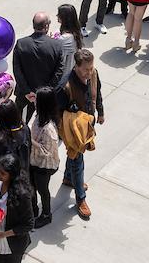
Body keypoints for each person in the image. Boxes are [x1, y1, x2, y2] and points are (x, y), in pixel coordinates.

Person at [56, 48, 104, 221]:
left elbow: (97, 93)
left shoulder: (93, 74)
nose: (89, 72)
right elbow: (58, 112)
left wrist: (100, 112)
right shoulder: (65, 86)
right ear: (76, 66)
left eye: (91, 68)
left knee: (74, 156)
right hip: (73, 131)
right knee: (78, 161)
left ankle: (69, 179)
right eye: (86, 69)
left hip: (88, 124)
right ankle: (80, 198)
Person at [11, 12, 65, 120]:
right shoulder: (56, 46)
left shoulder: (21, 43)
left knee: (19, 123)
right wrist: (45, 91)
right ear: (46, 26)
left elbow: (17, 70)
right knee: (47, 124)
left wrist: (27, 92)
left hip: (25, 95)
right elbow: (59, 71)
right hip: (46, 97)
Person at [0, 154, 33, 263]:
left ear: (12, 175)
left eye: (3, 173)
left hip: (11, 246)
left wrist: (2, 235)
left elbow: (28, 224)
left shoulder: (22, 195)